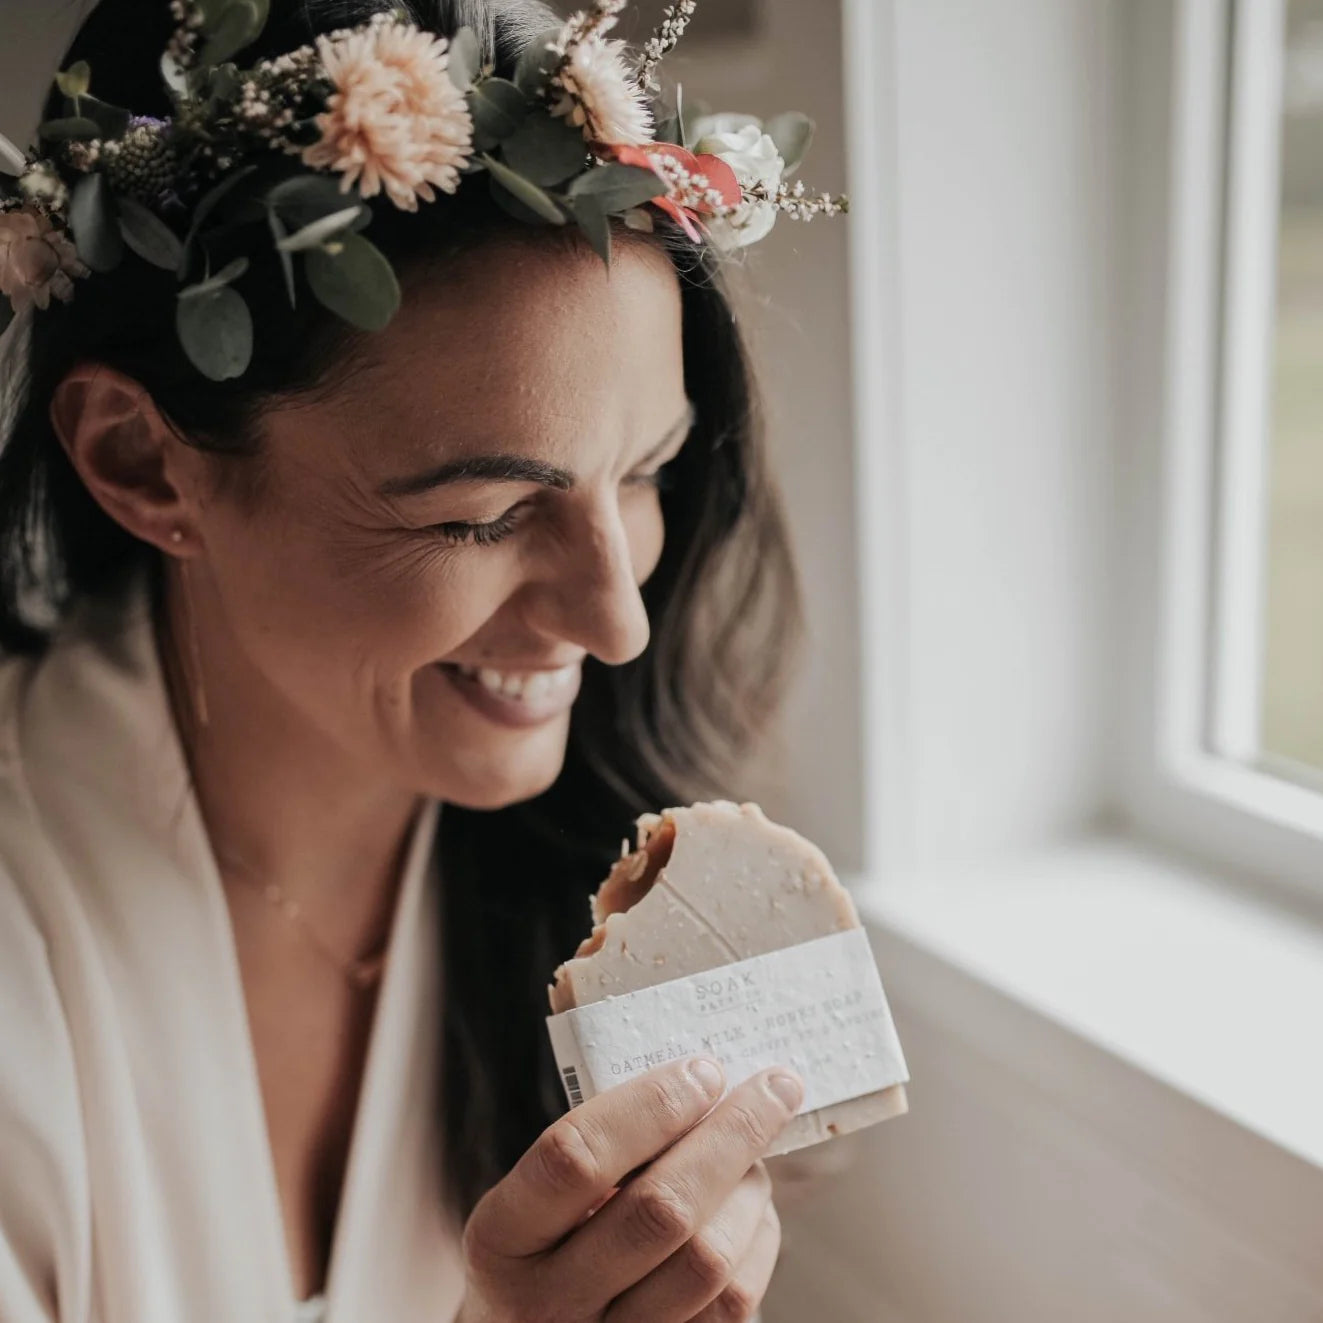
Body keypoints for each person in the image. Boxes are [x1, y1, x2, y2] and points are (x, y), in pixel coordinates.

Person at [0, 1, 848, 1319]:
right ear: (141, 460)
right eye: (480, 516)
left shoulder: (617, 894)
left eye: (646, 472)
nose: (618, 623)